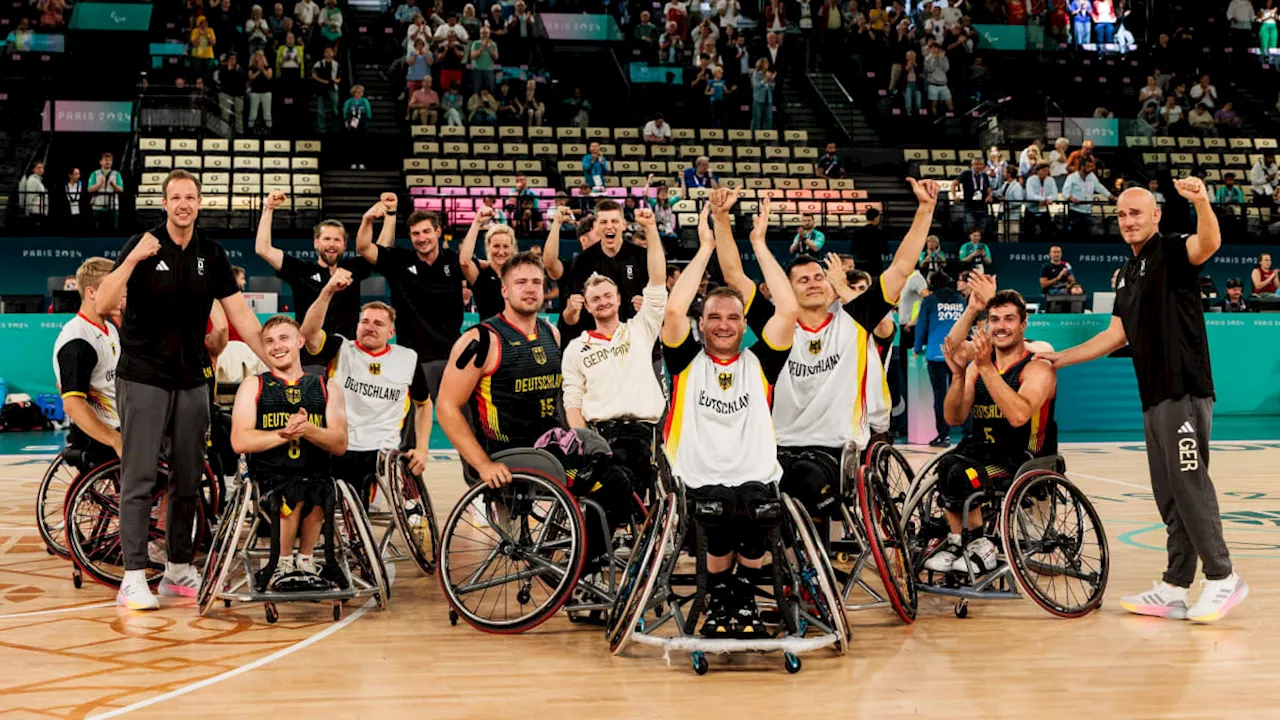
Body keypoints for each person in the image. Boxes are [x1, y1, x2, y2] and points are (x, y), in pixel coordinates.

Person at [1040, 178, 1248, 623]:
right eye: (1121, 215)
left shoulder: (1172, 250)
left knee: (1190, 485)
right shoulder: (1128, 273)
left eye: (1136, 213)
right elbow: (1115, 334)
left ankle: (1223, 577)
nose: (1128, 221)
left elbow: (1209, 241)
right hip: (1153, 396)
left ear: (1155, 216)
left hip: (1184, 390)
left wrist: (1201, 202)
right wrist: (1060, 359)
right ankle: (1175, 586)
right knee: (1169, 494)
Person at [96, 170, 268, 610]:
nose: (183, 204)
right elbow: (102, 302)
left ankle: (176, 569)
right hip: (144, 377)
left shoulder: (212, 253)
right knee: (139, 477)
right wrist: (133, 259)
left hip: (192, 378)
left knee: (189, 478)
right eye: (175, 198)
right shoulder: (143, 244)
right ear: (165, 202)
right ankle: (133, 576)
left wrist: (280, 365)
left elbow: (242, 319)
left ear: (199, 202)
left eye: (190, 197)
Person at [719, 180, 939, 515]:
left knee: (799, 487)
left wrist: (925, 210)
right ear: (787, 290)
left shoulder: (854, 317)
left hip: (838, 447)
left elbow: (901, 268)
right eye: (803, 280)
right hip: (781, 444)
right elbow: (734, 275)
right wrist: (721, 220)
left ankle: (805, 563)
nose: (813, 284)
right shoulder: (777, 324)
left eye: (818, 277)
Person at [660, 187, 800, 636]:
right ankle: (723, 595)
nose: (723, 324)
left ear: (744, 323)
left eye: (732, 317)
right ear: (703, 324)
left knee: (758, 508)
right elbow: (674, 308)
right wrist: (704, 248)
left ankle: (737, 595)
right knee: (719, 511)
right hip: (699, 479)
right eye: (714, 317)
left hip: (755, 476)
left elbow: (789, 309)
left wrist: (759, 244)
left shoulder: (761, 363)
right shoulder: (686, 362)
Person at [931, 287, 1057, 574]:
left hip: (1020, 459)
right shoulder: (976, 369)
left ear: (1023, 324)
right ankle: (958, 541)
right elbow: (953, 417)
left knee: (962, 474)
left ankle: (978, 545)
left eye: (1009, 319)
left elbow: (1019, 415)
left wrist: (985, 367)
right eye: (995, 319)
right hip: (980, 452)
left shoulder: (1037, 368)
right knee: (947, 466)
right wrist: (959, 375)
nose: (1001, 326)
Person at [230, 315, 347, 585]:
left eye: (283, 338)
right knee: (293, 492)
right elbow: (240, 440)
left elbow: (340, 443)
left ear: (300, 341)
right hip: (270, 478)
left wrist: (307, 429)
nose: (276, 346)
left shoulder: (326, 387)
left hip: (316, 477)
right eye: (268, 341)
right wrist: (284, 434)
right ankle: (282, 563)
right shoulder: (254, 385)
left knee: (320, 489)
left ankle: (306, 562)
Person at [560, 206, 667, 499]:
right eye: (596, 298)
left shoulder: (640, 330)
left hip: (639, 435)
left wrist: (652, 231)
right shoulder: (576, 349)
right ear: (588, 305)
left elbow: (658, 282)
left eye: (608, 296)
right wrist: (584, 442)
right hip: (600, 437)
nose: (603, 302)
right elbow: (572, 401)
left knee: (626, 475)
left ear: (619, 299)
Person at [299, 270, 430, 504]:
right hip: (340, 446)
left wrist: (422, 448)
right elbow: (308, 335)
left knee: (366, 510)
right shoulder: (341, 348)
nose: (370, 327)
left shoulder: (408, 359)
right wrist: (328, 291)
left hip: (383, 452)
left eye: (378, 323)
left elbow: (424, 404)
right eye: (365, 321)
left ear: (391, 332)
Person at [436, 251, 562, 487]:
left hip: (549, 447)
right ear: (504, 291)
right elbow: (446, 407)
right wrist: (483, 464)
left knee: (609, 472)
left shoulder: (551, 333)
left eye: (536, 282)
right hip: (508, 454)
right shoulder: (481, 340)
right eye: (521, 283)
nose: (530, 288)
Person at [355, 203, 463, 446]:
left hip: (451, 359)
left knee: (467, 429)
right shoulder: (399, 260)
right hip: (413, 360)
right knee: (408, 437)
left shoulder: (454, 262)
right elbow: (363, 247)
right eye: (416, 234)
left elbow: (484, 270)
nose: (421, 238)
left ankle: (479, 479)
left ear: (438, 232)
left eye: (426, 232)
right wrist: (367, 219)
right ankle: (405, 481)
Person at [256, 189, 393, 339]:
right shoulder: (301, 270)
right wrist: (268, 208)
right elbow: (263, 249)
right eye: (327, 239)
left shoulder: (353, 267)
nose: (332, 245)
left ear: (345, 244)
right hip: (310, 354)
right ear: (316, 242)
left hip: (347, 352)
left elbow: (382, 253)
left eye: (337, 240)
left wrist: (390, 214)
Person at [543, 200, 649, 343]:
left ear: (624, 224)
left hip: (637, 343)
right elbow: (550, 264)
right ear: (596, 227)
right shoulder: (581, 262)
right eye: (603, 222)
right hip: (597, 348)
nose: (609, 226)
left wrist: (649, 308)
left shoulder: (641, 256)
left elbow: (660, 301)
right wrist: (557, 223)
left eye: (614, 221)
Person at [54, 258, 124, 471]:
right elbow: (73, 404)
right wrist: (115, 440)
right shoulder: (78, 340)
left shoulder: (110, 329)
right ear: (92, 292)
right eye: (114, 288)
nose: (120, 294)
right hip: (102, 439)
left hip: (122, 424)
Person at [916, 270, 966, 448]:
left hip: (937, 354)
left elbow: (921, 326)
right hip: (959, 354)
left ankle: (943, 436)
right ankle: (967, 434)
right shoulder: (961, 299)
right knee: (963, 393)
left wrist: (916, 347)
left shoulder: (929, 301)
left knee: (941, 396)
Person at [458, 206, 516, 319]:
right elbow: (464, 262)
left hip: (516, 334)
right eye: (496, 246)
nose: (501, 252)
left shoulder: (519, 273)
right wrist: (477, 222)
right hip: (488, 333)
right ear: (488, 247)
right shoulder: (480, 274)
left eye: (505, 246)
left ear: (512, 248)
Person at [88, 153, 125, 231]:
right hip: (97, 206)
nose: (108, 162)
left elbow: (121, 189)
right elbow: (89, 189)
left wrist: (114, 185)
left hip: (113, 206)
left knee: (113, 229)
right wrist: (99, 184)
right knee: (97, 229)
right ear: (101, 162)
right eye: (105, 160)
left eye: (110, 160)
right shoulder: (95, 174)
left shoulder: (116, 174)